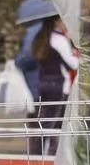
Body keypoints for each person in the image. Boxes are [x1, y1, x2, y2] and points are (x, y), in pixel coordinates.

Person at [27, 15, 79, 155]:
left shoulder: (42, 38)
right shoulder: (59, 40)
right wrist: (77, 55)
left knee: (45, 122)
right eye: (63, 20)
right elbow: (73, 64)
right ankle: (50, 156)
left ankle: (38, 155)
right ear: (56, 22)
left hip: (44, 83)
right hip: (58, 85)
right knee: (54, 125)